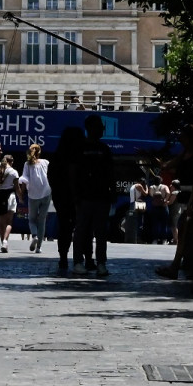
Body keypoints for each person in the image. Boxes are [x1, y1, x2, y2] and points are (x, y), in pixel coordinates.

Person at [71, 114, 116, 276]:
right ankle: (79, 261)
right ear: (91, 128)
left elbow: (111, 173)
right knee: (83, 230)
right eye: (99, 127)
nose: (102, 130)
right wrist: (76, 194)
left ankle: (100, 262)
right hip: (85, 196)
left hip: (100, 196)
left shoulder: (104, 149)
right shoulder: (81, 148)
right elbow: (74, 173)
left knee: (99, 232)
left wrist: (112, 191)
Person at [48, 127, 85, 271]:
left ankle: (63, 257)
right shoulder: (80, 156)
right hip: (77, 197)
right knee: (82, 228)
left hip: (61, 197)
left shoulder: (57, 157)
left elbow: (51, 177)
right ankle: (81, 259)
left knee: (64, 227)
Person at [19, 143, 51, 253]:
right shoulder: (46, 162)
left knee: (32, 219)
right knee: (42, 221)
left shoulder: (27, 164)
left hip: (33, 195)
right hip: (46, 193)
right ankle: (39, 248)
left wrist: (21, 194)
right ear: (39, 152)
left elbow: (24, 180)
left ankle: (34, 236)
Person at [0, 155, 20, 253]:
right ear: (12, 162)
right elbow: (17, 187)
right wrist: (21, 197)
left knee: (1, 223)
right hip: (10, 196)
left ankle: (3, 243)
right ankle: (5, 242)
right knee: (9, 222)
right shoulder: (14, 172)